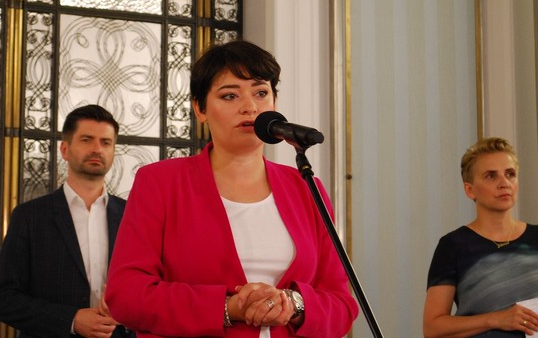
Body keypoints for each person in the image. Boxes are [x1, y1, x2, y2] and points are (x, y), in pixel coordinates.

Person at [104, 40, 359, 338]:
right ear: (200, 109)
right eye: (230, 95)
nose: (250, 107)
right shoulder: (160, 182)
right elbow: (126, 296)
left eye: (261, 93)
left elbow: (342, 306)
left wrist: (293, 304)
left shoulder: (305, 187)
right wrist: (228, 307)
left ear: (274, 104)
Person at [0, 104, 131, 338]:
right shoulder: (29, 217)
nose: (97, 149)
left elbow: (152, 287)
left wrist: (128, 311)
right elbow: (4, 300)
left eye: (106, 142)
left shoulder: (133, 215)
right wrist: (71, 320)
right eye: (86, 140)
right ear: (65, 149)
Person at [423, 137, 538, 338]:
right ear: (470, 190)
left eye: (510, 174)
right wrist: (496, 319)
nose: (504, 183)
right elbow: (432, 328)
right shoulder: (453, 246)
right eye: (491, 176)